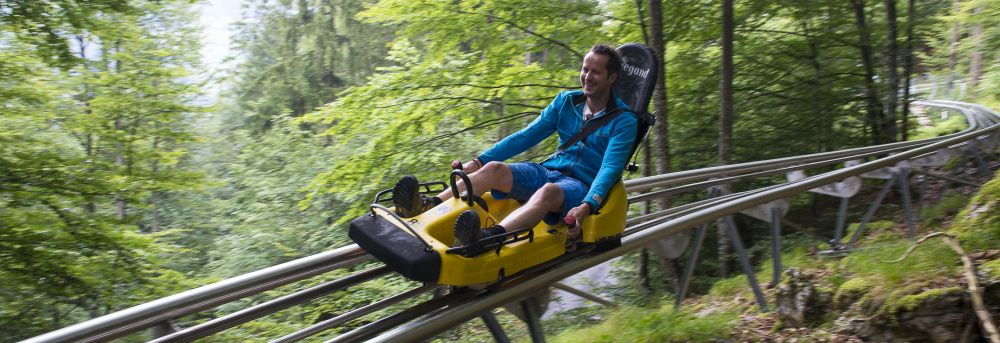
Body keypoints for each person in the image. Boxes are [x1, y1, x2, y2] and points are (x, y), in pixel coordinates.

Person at [393, 44, 638, 249]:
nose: (587, 76)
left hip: (579, 185)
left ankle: (487, 238)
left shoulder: (624, 121)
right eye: (585, 69)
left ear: (612, 77)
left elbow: (609, 169)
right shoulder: (566, 102)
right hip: (548, 170)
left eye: (596, 72)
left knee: (548, 192)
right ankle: (427, 206)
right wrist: (479, 161)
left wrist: (588, 205)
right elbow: (525, 136)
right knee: (494, 169)